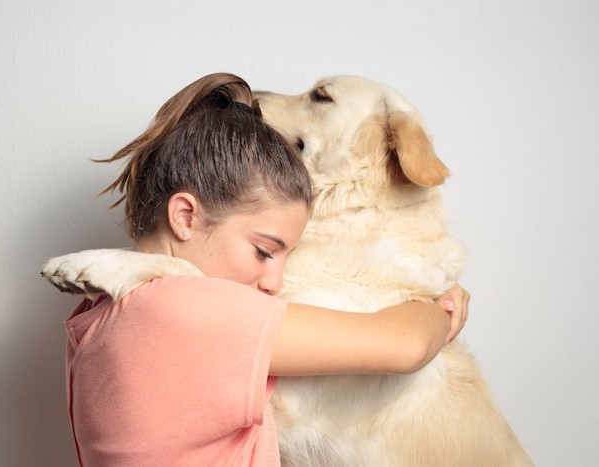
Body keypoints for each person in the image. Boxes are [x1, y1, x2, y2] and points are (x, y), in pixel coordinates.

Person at [62, 72, 470, 466]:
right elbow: (408, 346)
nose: (275, 283)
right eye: (263, 251)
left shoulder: (95, 315)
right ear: (185, 217)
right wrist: (441, 307)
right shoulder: (184, 309)